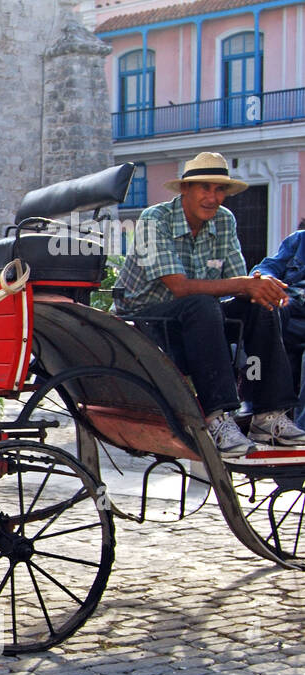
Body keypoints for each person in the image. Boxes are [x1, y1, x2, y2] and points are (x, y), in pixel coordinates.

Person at [115, 152, 305, 457]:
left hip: (199, 319)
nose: (213, 197)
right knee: (201, 304)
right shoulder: (155, 219)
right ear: (185, 190)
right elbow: (179, 287)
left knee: (260, 306)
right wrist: (244, 284)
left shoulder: (224, 220)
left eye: (219, 190)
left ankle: (267, 415)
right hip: (146, 320)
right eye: (205, 188)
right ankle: (217, 417)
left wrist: (261, 287)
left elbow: (234, 280)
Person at [251, 219, 305, 425]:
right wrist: (266, 280)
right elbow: (266, 267)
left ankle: (301, 431)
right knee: (263, 312)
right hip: (288, 312)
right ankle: (259, 408)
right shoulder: (299, 240)